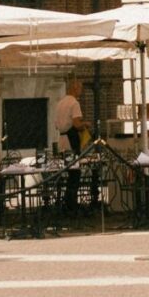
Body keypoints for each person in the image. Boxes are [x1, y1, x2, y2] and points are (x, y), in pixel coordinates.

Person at [55, 78, 87, 214]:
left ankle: (66, 202)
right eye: (80, 88)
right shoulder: (74, 103)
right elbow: (76, 123)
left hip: (61, 139)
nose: (81, 91)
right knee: (75, 172)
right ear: (74, 88)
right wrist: (86, 124)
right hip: (71, 139)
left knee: (68, 172)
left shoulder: (60, 103)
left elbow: (56, 124)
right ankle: (71, 204)